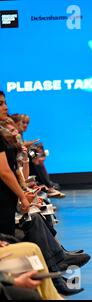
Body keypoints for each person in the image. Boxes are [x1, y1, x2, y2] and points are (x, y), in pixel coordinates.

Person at [0, 91, 30, 236]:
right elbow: (4, 171)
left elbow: (13, 170)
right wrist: (23, 197)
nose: (5, 107)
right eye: (0, 104)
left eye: (5, 103)